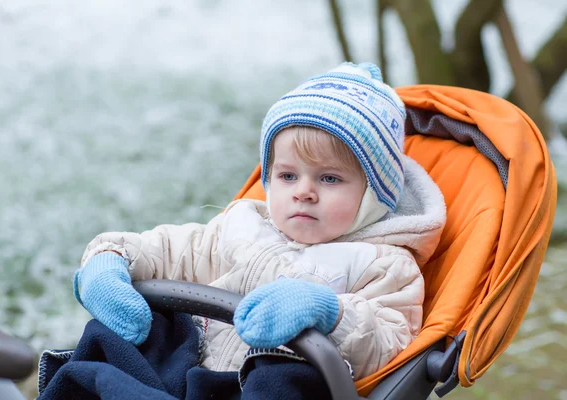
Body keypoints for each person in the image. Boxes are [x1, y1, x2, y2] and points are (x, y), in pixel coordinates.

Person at [73, 62, 446, 383]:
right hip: (188, 369)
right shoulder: (242, 226)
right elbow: (170, 249)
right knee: (115, 334)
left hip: (265, 382)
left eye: (329, 179)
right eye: (287, 176)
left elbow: (389, 341)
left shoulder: (384, 263)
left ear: (372, 196)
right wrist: (110, 259)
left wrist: (329, 312)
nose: (304, 192)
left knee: (282, 372)